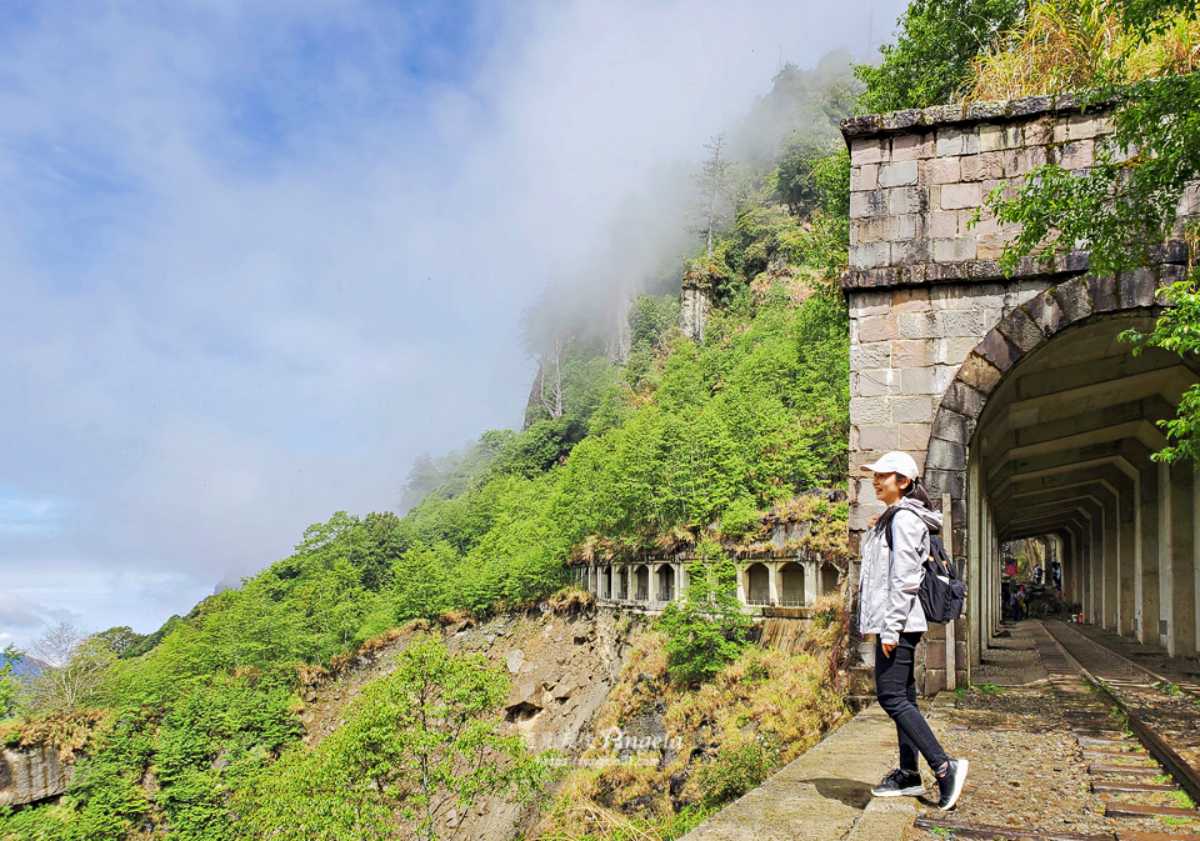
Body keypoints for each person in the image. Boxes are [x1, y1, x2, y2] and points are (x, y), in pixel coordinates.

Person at [859, 451, 969, 810]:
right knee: (903, 696)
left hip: (900, 624)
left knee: (891, 697)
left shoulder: (904, 520)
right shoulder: (895, 518)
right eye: (875, 476)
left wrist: (890, 630)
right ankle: (908, 773)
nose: (876, 481)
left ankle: (943, 766)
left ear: (903, 481)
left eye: (884, 476)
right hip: (897, 622)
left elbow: (905, 581)